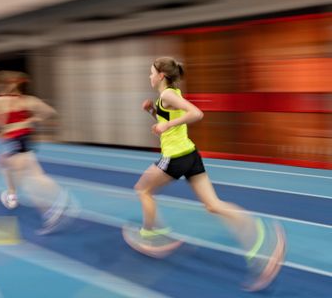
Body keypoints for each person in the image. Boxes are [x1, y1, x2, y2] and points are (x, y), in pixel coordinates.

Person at [122, 57, 286, 292]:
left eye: (150, 73)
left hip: (176, 158)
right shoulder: (168, 96)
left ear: (160, 75)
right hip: (190, 155)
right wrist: (153, 113)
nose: (148, 77)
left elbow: (196, 114)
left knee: (143, 189)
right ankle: (263, 237)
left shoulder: (168, 95)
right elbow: (173, 120)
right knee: (213, 205)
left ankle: (152, 234)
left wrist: (165, 126)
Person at [0, 70, 77, 234]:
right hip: (24, 140)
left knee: (31, 179)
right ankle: (13, 195)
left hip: (12, 141)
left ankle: (56, 204)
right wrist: (31, 119)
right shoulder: (29, 101)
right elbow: (50, 112)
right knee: (6, 164)